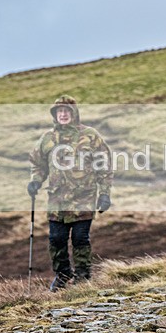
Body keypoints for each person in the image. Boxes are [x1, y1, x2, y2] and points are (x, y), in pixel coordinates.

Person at [28, 95, 114, 291]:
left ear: (74, 113)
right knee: (56, 238)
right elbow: (38, 164)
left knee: (80, 238)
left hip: (84, 198)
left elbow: (104, 165)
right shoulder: (47, 139)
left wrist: (105, 193)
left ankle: (83, 276)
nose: (63, 115)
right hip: (56, 200)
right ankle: (62, 274)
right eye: (60, 112)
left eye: (67, 111)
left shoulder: (91, 136)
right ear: (55, 115)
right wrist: (35, 181)